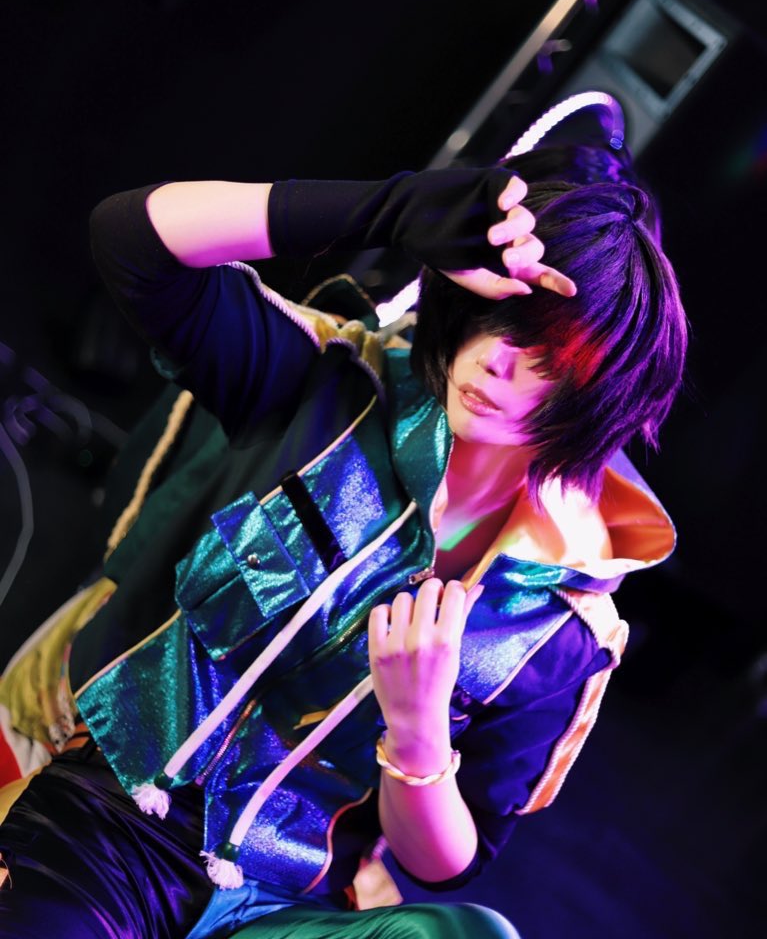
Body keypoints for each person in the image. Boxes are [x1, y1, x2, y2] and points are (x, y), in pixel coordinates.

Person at [0, 150, 686, 939]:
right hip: (118, 825)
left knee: (473, 935)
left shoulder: (563, 625)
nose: (496, 359)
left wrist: (418, 729)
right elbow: (132, 240)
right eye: (497, 315)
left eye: (544, 351)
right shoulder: (330, 389)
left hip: (280, 906)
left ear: (600, 387)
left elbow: (446, 864)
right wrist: (388, 210)